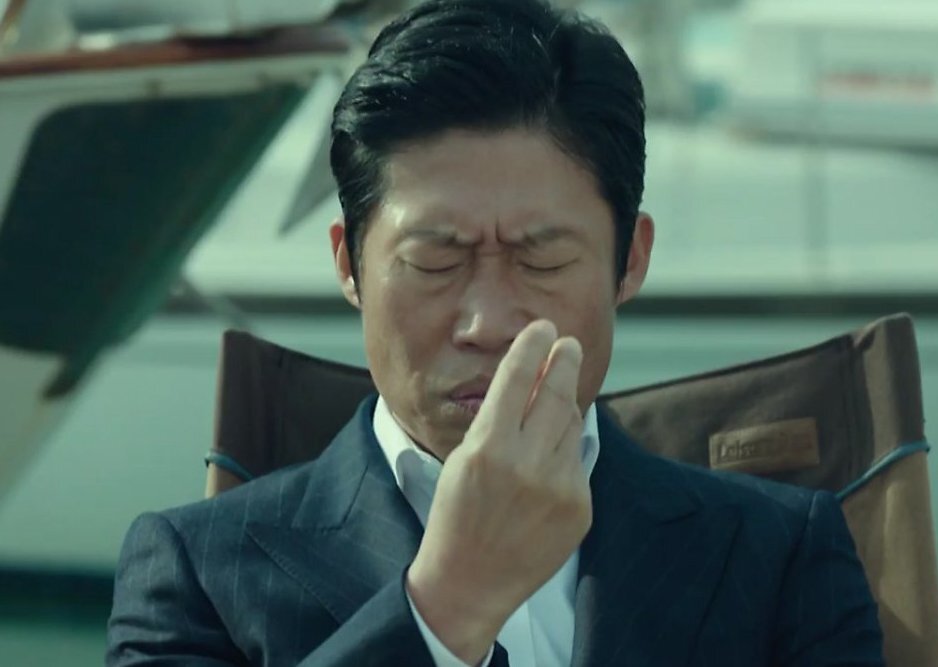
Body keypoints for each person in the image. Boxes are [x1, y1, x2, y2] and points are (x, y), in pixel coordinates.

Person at [106, 0, 884, 665]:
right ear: (348, 264)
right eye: (435, 261)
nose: (488, 323)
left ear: (630, 261)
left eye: (542, 260)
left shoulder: (779, 552)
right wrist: (447, 603)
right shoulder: (194, 569)